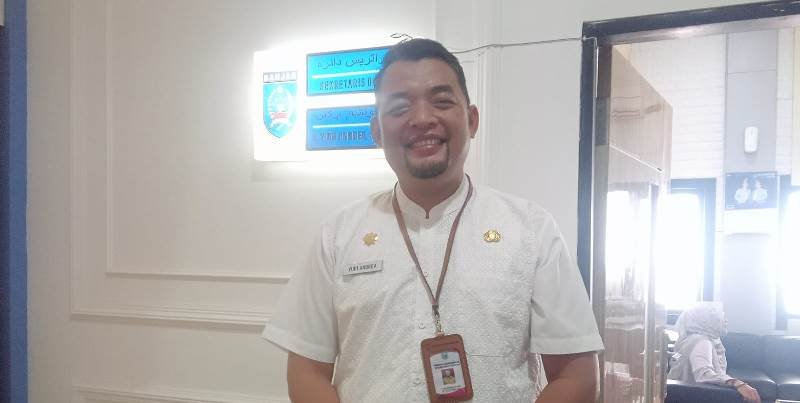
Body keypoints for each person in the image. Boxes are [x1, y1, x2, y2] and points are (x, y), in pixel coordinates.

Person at [262, 38, 604, 403]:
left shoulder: (531, 230)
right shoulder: (339, 235)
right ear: (377, 132)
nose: (422, 119)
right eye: (399, 107)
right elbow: (307, 372)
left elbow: (576, 376)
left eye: (441, 101)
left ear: (471, 120)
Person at [667, 302, 761, 403]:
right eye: (722, 317)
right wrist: (738, 384)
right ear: (707, 320)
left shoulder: (693, 339)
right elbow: (703, 374)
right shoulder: (702, 341)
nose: (726, 320)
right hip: (698, 397)